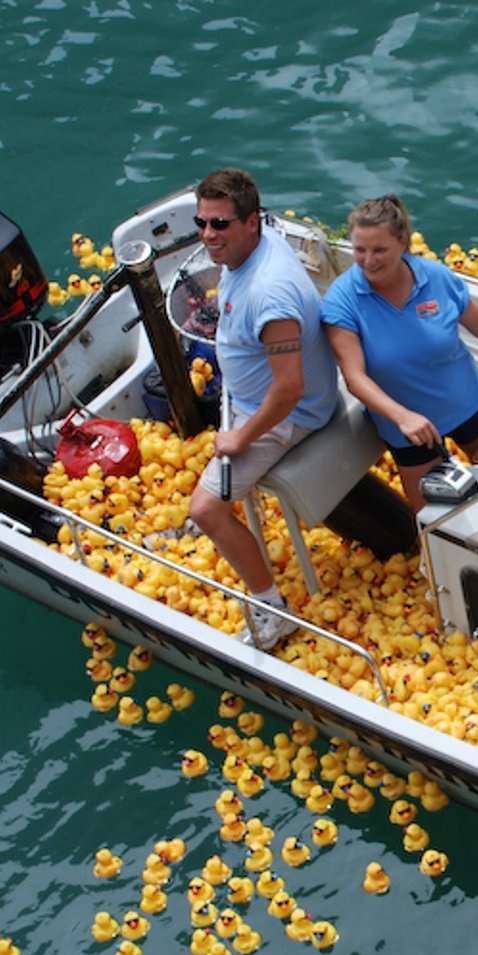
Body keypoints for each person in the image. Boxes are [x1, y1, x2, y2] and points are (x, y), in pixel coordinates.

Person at [321, 194, 478, 511]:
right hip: (408, 430)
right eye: (359, 250)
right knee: (430, 518)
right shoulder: (342, 301)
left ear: (403, 243)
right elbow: (354, 377)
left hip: (469, 403)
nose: (368, 260)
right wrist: (403, 417)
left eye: (379, 250)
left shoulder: (435, 277)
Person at [185, 167, 341, 650]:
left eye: (221, 225)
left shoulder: (269, 293)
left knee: (206, 508)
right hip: (248, 396)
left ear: (252, 221)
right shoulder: (260, 244)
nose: (209, 236)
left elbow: (289, 390)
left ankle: (272, 611)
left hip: (285, 416)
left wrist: (241, 437)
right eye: (202, 223)